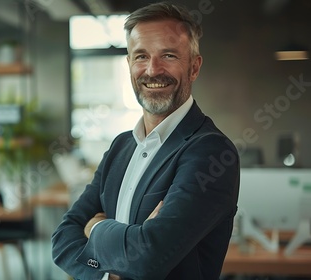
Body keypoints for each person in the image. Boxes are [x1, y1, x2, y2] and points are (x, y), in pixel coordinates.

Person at [51, 2, 240, 280]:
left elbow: (150, 259)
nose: (152, 70)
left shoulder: (210, 151)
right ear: (129, 64)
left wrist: (95, 229)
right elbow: (62, 240)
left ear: (194, 68)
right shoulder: (121, 147)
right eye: (141, 56)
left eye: (168, 55)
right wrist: (107, 276)